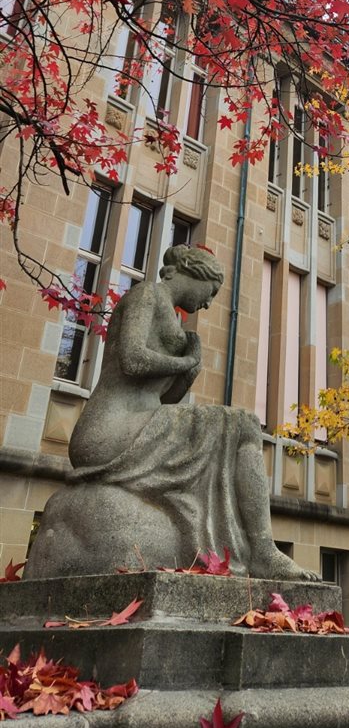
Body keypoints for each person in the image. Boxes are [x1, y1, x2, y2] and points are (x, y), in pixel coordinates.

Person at [25, 246, 318, 582]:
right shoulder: (146, 294)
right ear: (195, 274)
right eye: (210, 292)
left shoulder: (176, 319)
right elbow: (132, 361)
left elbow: (166, 398)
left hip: (143, 422)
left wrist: (189, 373)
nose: (208, 303)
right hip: (108, 429)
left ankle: (262, 550)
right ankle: (262, 551)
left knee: (242, 425)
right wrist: (184, 362)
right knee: (242, 424)